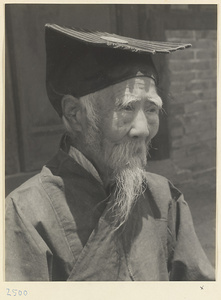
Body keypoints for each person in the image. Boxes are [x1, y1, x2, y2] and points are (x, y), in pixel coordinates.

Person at [5, 24, 215, 281]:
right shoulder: (25, 214)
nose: (143, 130)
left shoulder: (164, 199)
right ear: (74, 114)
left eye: (150, 109)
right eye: (126, 108)